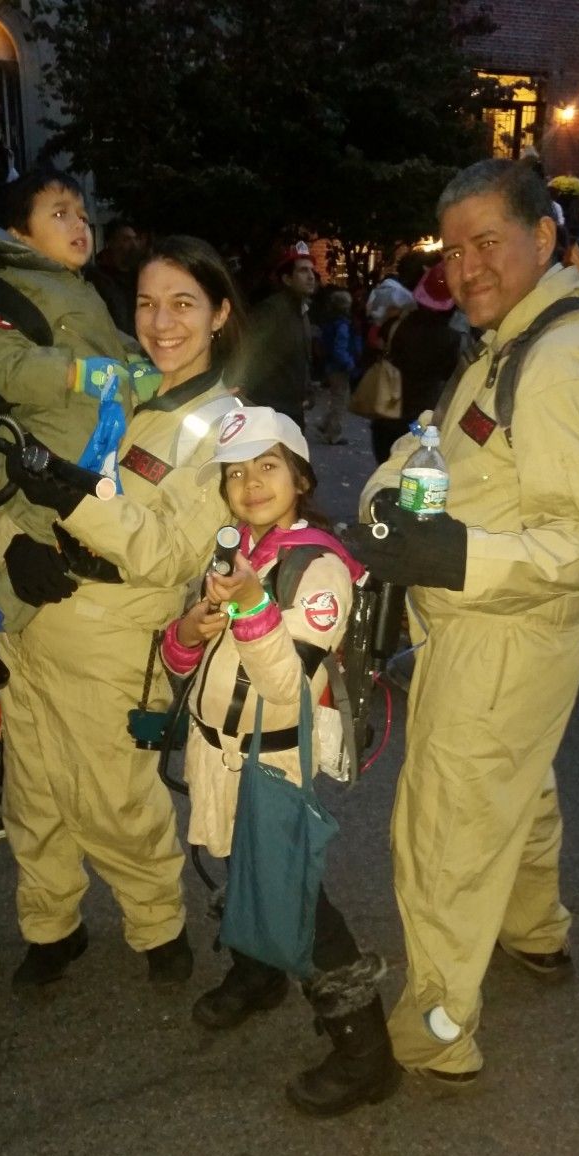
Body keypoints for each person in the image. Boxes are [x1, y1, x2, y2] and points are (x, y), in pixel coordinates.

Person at [349, 158, 579, 1083]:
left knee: (445, 834)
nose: (465, 266)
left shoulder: (562, 358)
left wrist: (456, 557)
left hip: (505, 633)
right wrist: (386, 498)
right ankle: (537, 931)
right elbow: (439, 448)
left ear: (545, 239)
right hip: (508, 637)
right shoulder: (509, 341)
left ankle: (434, 1033)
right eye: (453, 249)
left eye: (488, 241)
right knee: (519, 783)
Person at [0, 235, 246, 989]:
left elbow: (170, 552)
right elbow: (22, 482)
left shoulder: (227, 426)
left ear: (221, 312)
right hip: (34, 617)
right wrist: (12, 549)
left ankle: (156, 923)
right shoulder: (123, 386)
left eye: (183, 304)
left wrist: (72, 503)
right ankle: (50, 923)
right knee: (32, 789)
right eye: (146, 303)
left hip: (114, 628)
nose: (161, 322)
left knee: (115, 795)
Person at [159, 405, 399, 1117]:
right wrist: (189, 627)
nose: (251, 482)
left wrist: (251, 603)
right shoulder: (239, 552)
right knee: (236, 863)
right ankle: (257, 973)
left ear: (300, 474)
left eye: (268, 466)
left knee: (300, 903)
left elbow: (288, 687)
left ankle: (367, 1053)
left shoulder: (316, 566)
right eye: (236, 472)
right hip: (218, 754)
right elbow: (179, 662)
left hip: (271, 762)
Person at [0, 167, 158, 690]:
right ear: (19, 234)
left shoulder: (75, 286)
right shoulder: (8, 288)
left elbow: (108, 343)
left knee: (5, 531)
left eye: (84, 216)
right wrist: (73, 372)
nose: (80, 226)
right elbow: (9, 368)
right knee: (60, 553)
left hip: (84, 442)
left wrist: (134, 363)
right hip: (52, 444)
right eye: (60, 214)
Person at [370, 261, 462, 464]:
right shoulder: (452, 339)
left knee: (385, 471)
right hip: (419, 422)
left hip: (386, 417)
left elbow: (374, 347)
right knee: (413, 469)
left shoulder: (394, 325)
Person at [242, 241, 316, 430]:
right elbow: (247, 352)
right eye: (303, 271)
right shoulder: (272, 311)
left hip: (292, 408)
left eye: (311, 271)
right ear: (287, 279)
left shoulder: (302, 310)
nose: (310, 276)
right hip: (271, 409)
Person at [85, 219, 148, 334]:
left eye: (135, 239)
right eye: (126, 240)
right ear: (112, 243)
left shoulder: (142, 276)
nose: (134, 244)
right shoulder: (97, 279)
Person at [317, 289, 360, 446]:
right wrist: (349, 363)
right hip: (339, 366)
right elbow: (340, 348)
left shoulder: (329, 322)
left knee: (336, 397)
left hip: (330, 364)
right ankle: (333, 433)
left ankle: (326, 424)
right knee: (340, 400)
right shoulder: (342, 324)